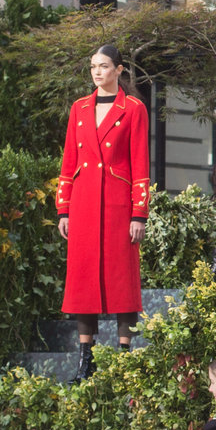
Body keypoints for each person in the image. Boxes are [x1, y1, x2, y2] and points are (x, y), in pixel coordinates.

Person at [57, 45, 151, 355]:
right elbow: (69, 161)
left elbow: (140, 163)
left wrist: (139, 214)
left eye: (105, 66)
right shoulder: (79, 108)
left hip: (117, 204)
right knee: (83, 275)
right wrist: (64, 209)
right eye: (94, 66)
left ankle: (124, 351)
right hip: (83, 203)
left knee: (121, 275)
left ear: (119, 70)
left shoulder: (134, 108)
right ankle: (86, 357)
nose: (98, 72)